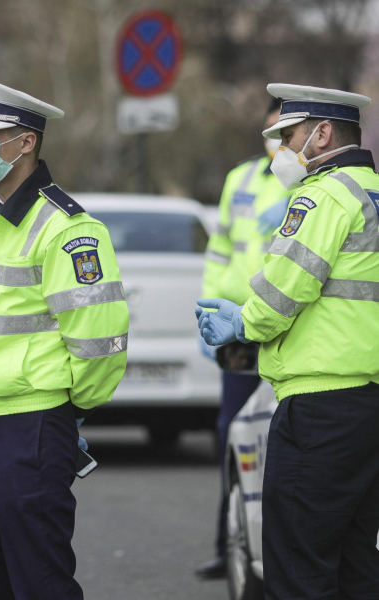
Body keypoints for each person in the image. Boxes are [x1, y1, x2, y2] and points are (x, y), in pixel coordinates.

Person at [0, 73, 129, 600]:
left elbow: (99, 337)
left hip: (33, 422)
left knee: (39, 582)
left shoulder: (68, 229)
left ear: (26, 141)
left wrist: (70, 410)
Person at [196, 83, 379, 599]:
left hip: (320, 405)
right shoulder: (371, 190)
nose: (279, 148)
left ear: (321, 134)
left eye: (288, 135)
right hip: (366, 401)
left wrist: (242, 321)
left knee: (297, 566)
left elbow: (284, 290)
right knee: (356, 565)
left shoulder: (323, 195)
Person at [195, 98, 291, 579]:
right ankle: (227, 542)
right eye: (270, 133)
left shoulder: (310, 186)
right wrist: (211, 309)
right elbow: (219, 251)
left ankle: (277, 542)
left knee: (283, 433)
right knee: (232, 430)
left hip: (286, 323)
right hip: (238, 328)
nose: (277, 142)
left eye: (285, 132)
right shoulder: (242, 180)